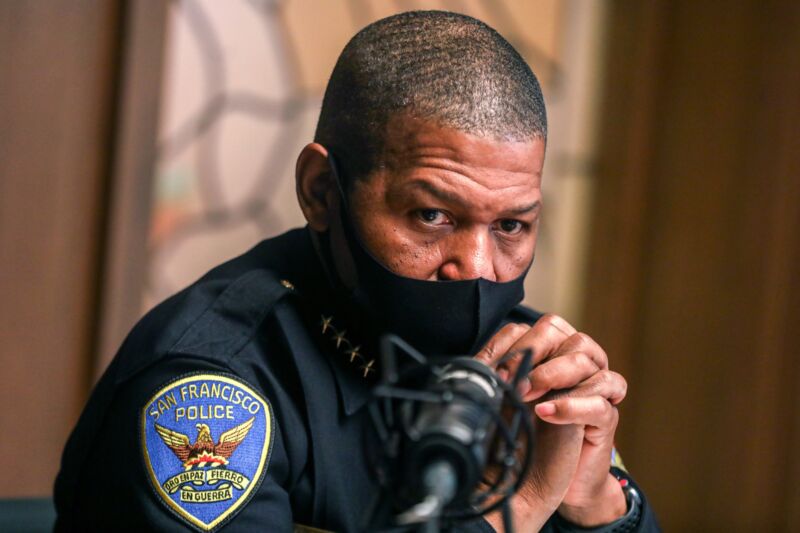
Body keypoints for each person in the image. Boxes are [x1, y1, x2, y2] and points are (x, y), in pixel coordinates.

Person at [55, 11, 659, 532]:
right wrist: (512, 510)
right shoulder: (210, 395)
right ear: (321, 192)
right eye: (432, 215)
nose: (474, 271)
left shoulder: (529, 368)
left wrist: (598, 505)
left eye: (511, 227)